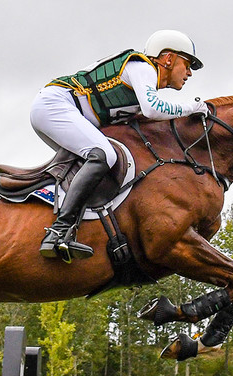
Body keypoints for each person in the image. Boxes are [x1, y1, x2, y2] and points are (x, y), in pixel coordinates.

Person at [30, 30, 209, 262]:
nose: (190, 72)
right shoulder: (143, 68)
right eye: (187, 64)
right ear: (168, 58)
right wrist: (191, 108)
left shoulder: (143, 83)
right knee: (103, 155)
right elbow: (153, 109)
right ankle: (58, 231)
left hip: (58, 109)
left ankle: (69, 225)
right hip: (55, 105)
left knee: (99, 165)